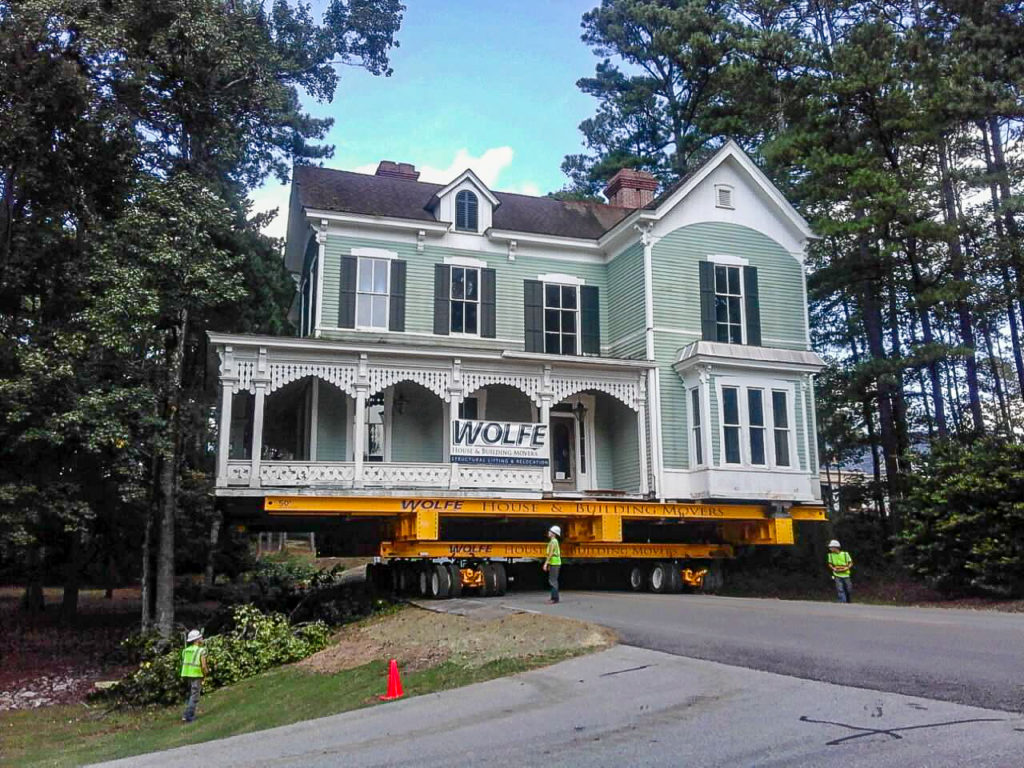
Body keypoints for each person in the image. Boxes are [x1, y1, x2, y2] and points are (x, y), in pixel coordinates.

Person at [180, 629, 209, 722]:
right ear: (197, 640)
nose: (202, 638)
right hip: (196, 674)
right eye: (201, 637)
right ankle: (189, 716)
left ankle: (186, 714)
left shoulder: (185, 651)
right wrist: (205, 674)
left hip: (187, 675)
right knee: (195, 696)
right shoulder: (201, 651)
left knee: (191, 695)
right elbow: (203, 666)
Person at [827, 539, 853, 603]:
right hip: (837, 574)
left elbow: (851, 563)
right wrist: (833, 568)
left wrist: (846, 568)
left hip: (846, 574)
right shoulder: (830, 555)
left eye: (831, 547)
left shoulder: (845, 554)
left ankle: (848, 600)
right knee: (840, 588)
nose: (830, 548)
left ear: (835, 547)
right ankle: (842, 601)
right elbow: (830, 564)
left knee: (848, 588)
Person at [542, 525, 562, 604]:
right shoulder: (553, 541)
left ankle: (555, 599)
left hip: (555, 562)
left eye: (550, 531)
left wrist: (546, 563)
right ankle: (553, 597)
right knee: (552, 580)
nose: (549, 532)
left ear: (554, 533)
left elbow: (550, 554)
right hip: (554, 562)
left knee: (553, 581)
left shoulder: (553, 541)